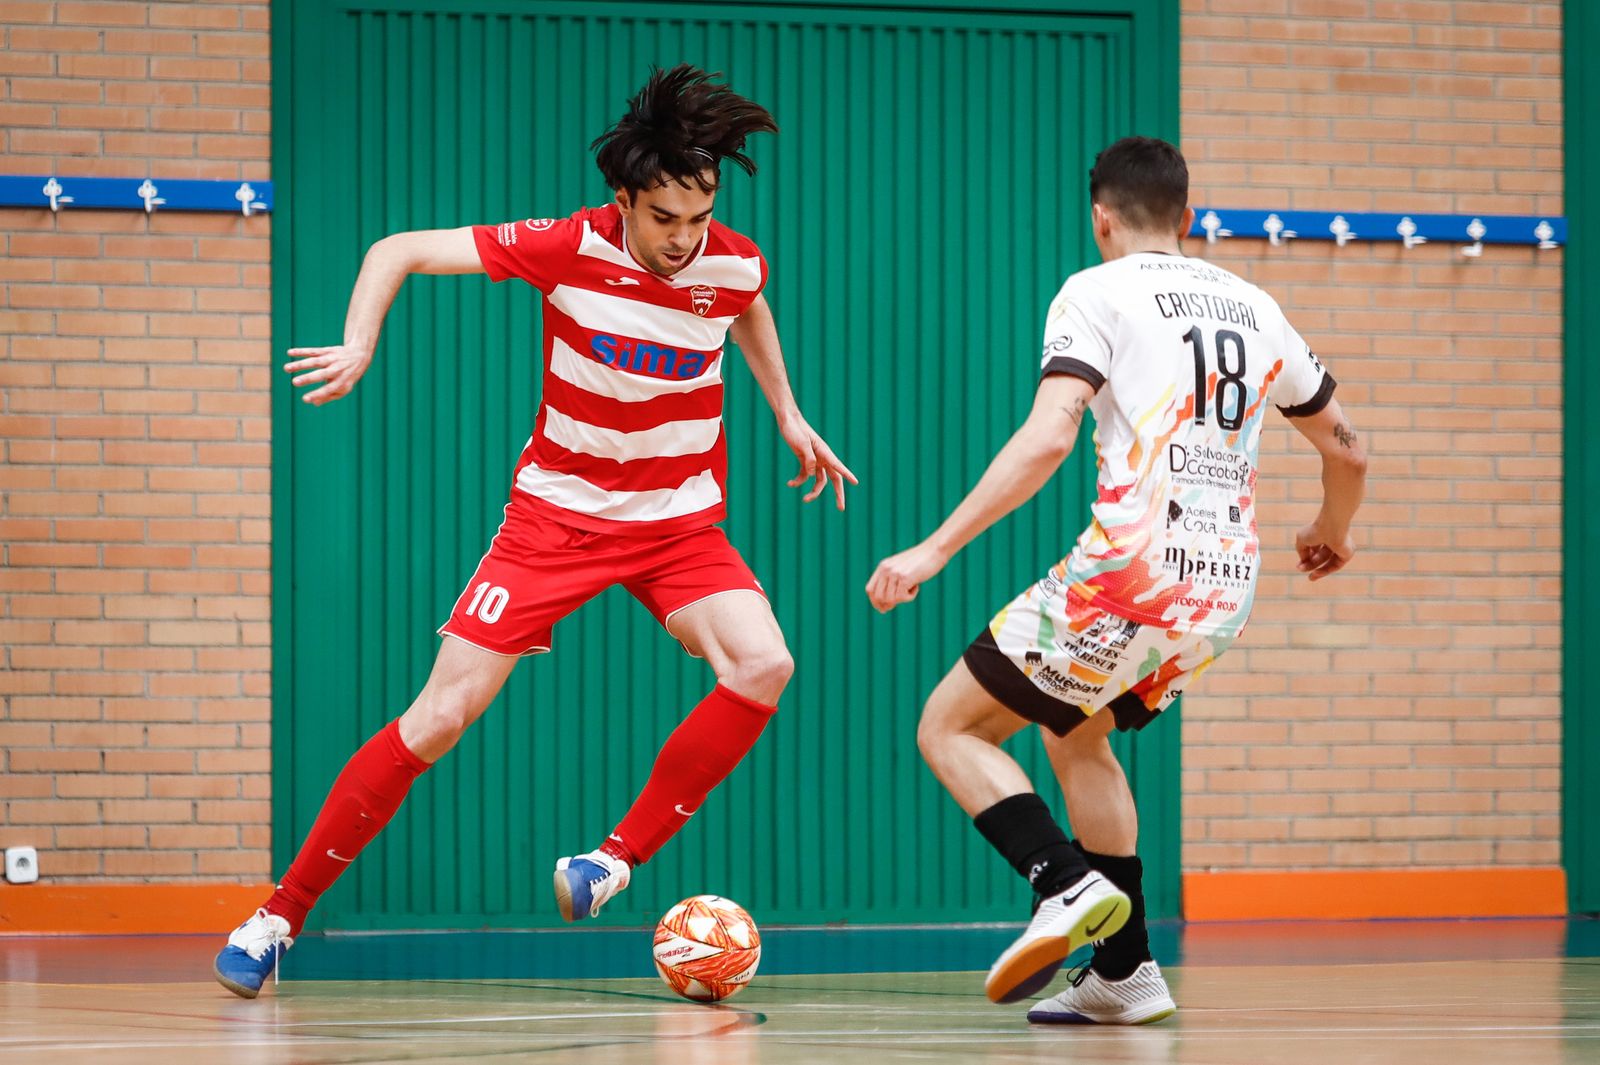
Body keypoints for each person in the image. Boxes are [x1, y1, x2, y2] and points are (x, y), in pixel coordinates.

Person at [214, 65, 855, 999]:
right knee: (438, 717)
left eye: (699, 215)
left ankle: (611, 861)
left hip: (678, 523)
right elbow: (397, 249)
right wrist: (358, 342)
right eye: (664, 218)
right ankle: (277, 916)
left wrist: (788, 413)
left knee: (765, 663)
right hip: (556, 520)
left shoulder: (731, 261)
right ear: (622, 201)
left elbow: (746, 303)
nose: (684, 239)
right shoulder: (566, 246)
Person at [866, 136, 1367, 1023]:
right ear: (1188, 213)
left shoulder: (1096, 291)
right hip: (1222, 592)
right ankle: (1126, 972)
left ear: (1101, 216)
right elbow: (1349, 449)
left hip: (1131, 572)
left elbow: (1050, 434)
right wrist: (1332, 529)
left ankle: (1061, 881)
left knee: (949, 726)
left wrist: (934, 549)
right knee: (1075, 731)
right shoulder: (1256, 305)